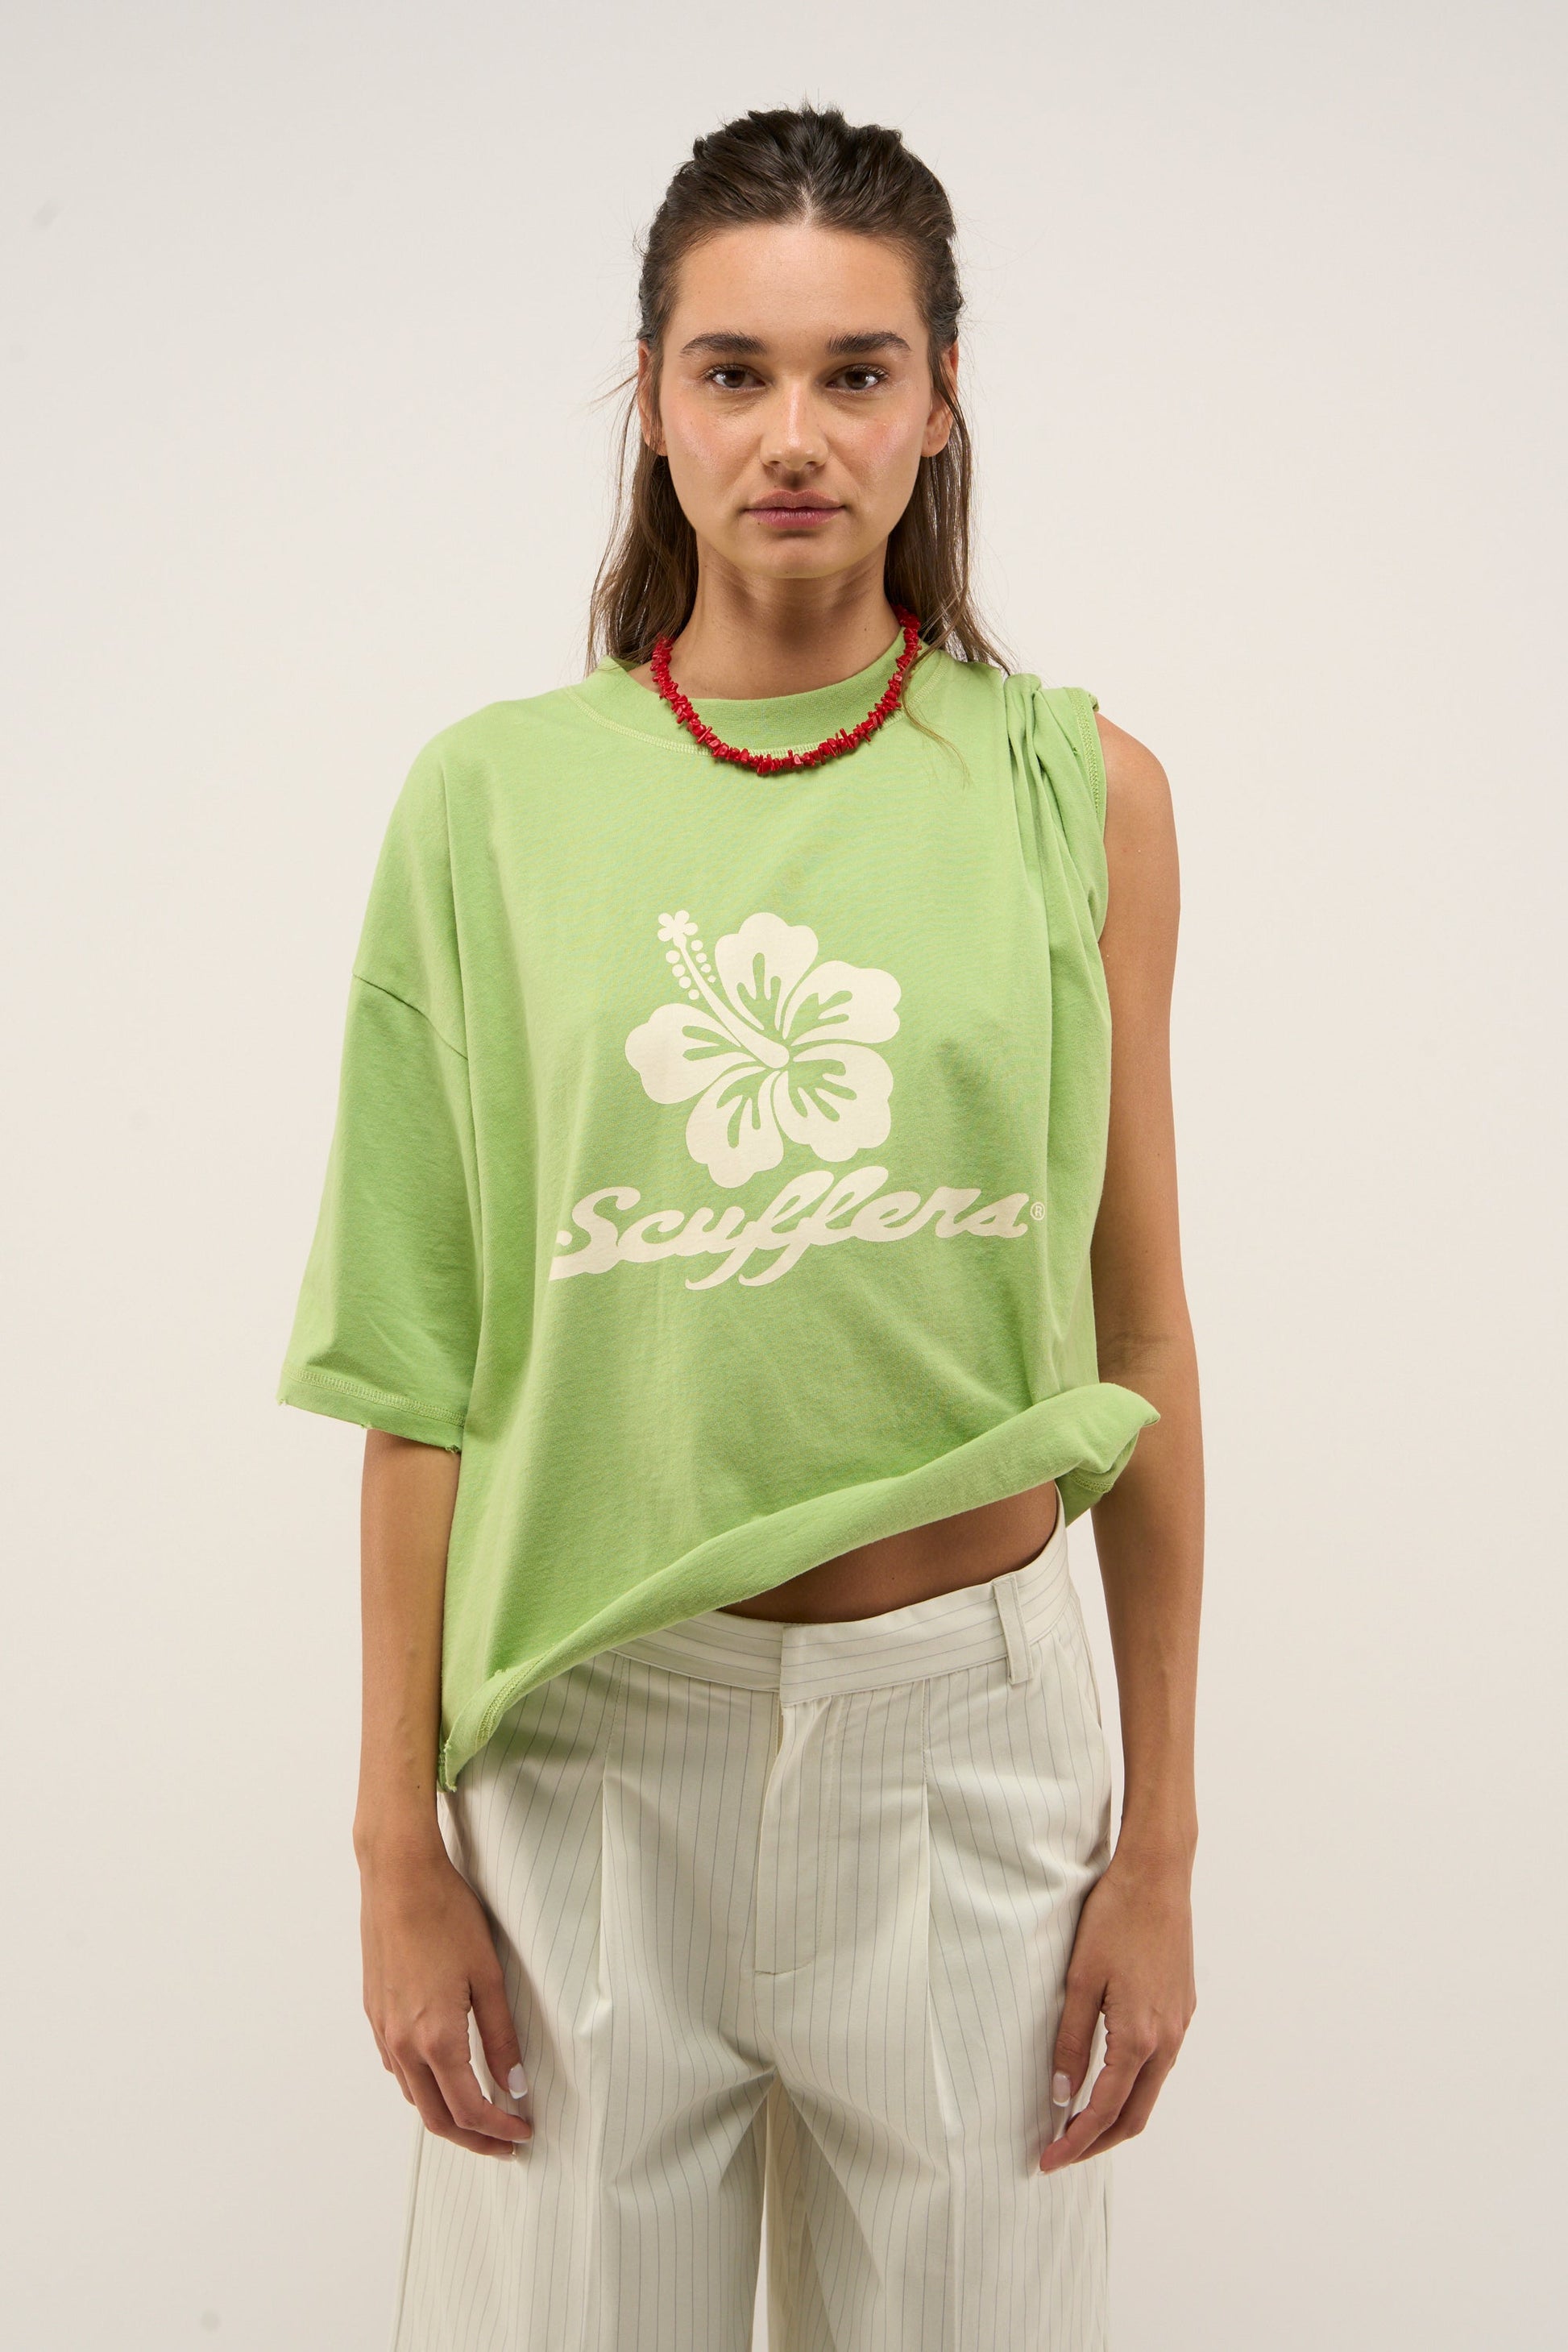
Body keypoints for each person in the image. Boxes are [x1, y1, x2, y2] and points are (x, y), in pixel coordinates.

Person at [277, 101, 1201, 2352]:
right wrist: (394, 1844)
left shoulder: (1073, 791)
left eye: (856, 371)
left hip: (967, 1745)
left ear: (939, 401)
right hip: (592, 1745)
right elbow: (422, 1363)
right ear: (651, 397)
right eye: (734, 371)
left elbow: (1142, 1338)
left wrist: (1160, 1849)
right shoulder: (491, 804)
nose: (794, 433)